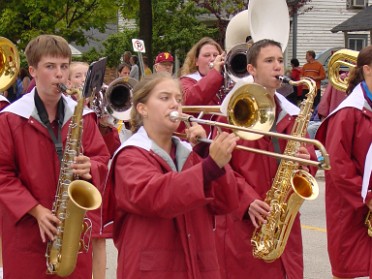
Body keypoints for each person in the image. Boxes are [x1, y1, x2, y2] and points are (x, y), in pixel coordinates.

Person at [104, 72, 240, 278]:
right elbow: (156, 195)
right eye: (165, 98)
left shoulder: (189, 154)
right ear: (142, 108)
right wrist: (209, 167)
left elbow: (226, 203)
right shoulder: (129, 156)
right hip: (151, 270)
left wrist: (205, 153)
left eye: (178, 99)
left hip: (198, 268)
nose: (175, 104)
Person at [0, 34, 110, 279]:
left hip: (71, 234)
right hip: (27, 233)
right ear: (33, 70)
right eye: (50, 67)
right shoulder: (10, 119)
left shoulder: (82, 115)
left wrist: (90, 165)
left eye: (64, 66)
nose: (59, 74)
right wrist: (35, 210)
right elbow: (2, 174)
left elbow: (102, 158)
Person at [214, 39, 318, 279]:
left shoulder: (292, 116)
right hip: (246, 225)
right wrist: (247, 200)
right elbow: (219, 168)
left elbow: (308, 159)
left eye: (280, 60)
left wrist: (306, 162)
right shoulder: (232, 114)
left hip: (284, 229)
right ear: (251, 69)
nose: (278, 67)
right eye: (269, 61)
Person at [315, 45, 372, 279]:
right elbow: (336, 164)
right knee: (351, 271)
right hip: (352, 210)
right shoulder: (349, 111)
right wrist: (367, 198)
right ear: (367, 69)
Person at [68, 60, 119, 279]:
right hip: (70, 184)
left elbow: (111, 151)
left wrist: (107, 126)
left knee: (97, 237)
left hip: (93, 183)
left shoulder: (97, 109)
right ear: (68, 82)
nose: (83, 81)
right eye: (78, 76)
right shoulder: (67, 107)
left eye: (86, 76)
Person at [179, 37, 225, 136]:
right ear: (196, 61)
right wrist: (215, 74)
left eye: (215, 55)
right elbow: (189, 100)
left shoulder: (226, 80)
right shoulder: (186, 81)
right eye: (206, 55)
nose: (212, 59)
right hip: (200, 142)